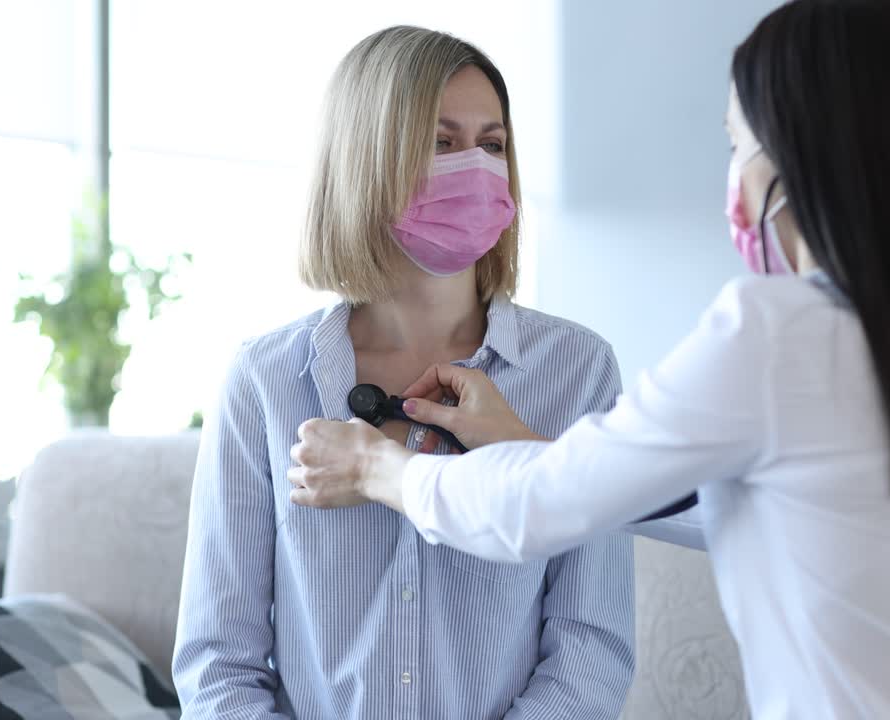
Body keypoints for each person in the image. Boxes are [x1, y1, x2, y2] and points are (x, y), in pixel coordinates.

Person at [285, 2, 890, 718]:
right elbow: (750, 503)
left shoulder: (777, 334)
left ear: (803, 157)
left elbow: (536, 513)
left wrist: (374, 470)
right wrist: (526, 445)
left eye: (739, 146)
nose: (733, 181)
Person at [171, 26, 640, 720]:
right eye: (442, 142)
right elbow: (219, 662)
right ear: (365, 160)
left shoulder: (578, 371)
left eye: (494, 144)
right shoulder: (266, 379)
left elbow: (590, 650)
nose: (478, 168)